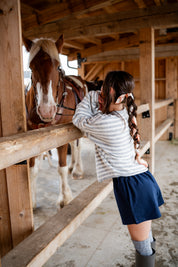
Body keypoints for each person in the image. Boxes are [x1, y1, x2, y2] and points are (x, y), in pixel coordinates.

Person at [72, 71, 164, 267]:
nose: (101, 95)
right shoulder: (124, 112)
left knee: (142, 246)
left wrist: (89, 95)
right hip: (140, 180)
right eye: (101, 91)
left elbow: (79, 119)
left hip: (132, 186)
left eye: (105, 92)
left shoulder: (108, 123)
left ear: (122, 97)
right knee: (145, 238)